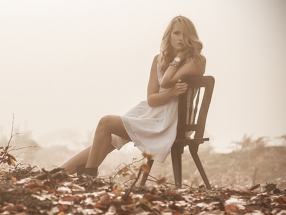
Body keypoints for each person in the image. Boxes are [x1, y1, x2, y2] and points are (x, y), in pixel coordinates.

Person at [59, 15, 206, 176]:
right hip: (152, 113)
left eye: (185, 34)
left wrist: (180, 56)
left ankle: (87, 175)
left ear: (191, 36)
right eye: (176, 33)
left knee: (106, 122)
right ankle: (55, 175)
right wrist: (172, 91)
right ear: (169, 35)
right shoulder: (159, 60)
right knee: (109, 138)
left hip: (172, 121)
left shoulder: (197, 60)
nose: (181, 38)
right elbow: (152, 100)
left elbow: (165, 81)